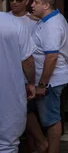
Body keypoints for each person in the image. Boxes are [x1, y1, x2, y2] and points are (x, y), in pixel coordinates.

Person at [29, 0, 68, 153]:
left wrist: (42, 84)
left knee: (51, 119)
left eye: (36, 2)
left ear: (46, 6)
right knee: (26, 110)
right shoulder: (47, 20)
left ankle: (50, 148)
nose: (32, 5)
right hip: (39, 80)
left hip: (50, 81)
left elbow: (51, 57)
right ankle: (42, 143)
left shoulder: (52, 25)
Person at [0, 11, 36, 153]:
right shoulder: (14, 23)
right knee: (7, 144)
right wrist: (31, 83)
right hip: (9, 95)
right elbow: (27, 60)